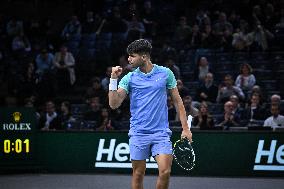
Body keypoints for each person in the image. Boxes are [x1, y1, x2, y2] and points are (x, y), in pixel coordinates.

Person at [108, 39, 192, 189]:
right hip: (138, 133)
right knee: (138, 173)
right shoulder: (129, 78)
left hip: (161, 133)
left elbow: (178, 102)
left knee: (165, 171)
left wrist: (186, 129)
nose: (128, 59)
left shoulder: (166, 74)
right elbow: (113, 104)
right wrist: (113, 79)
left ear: (144, 57)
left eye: (132, 56)